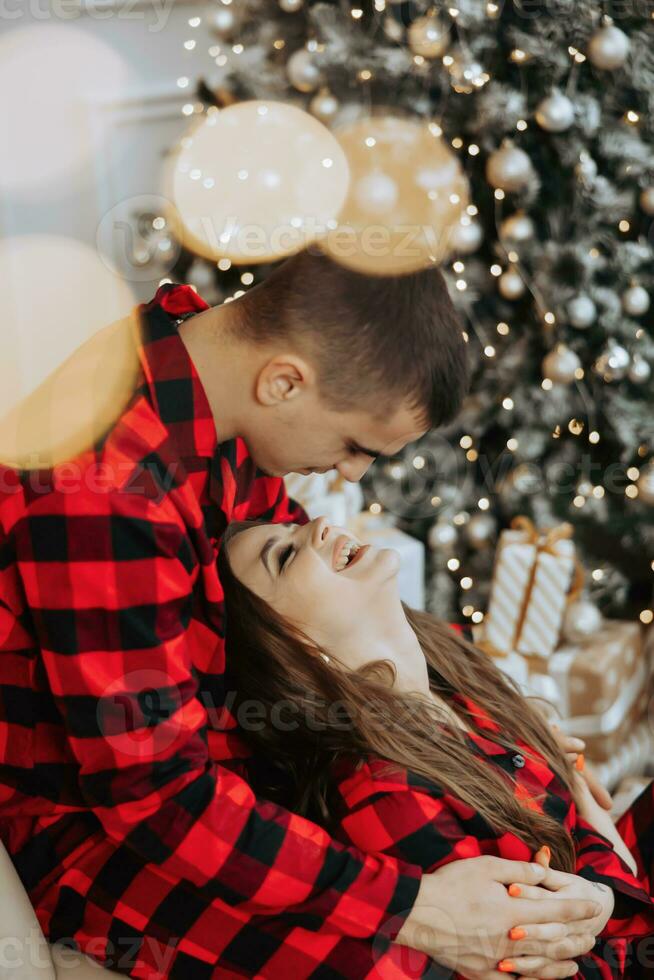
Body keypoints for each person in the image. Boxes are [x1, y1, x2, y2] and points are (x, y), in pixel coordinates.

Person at [0, 248, 606, 978]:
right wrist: (417, 911)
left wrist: (526, 752)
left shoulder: (209, 382)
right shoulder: (105, 492)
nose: (353, 477)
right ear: (283, 381)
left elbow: (316, 621)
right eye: (354, 446)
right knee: (400, 964)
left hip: (235, 766)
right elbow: (156, 798)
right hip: (97, 827)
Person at [217, 513, 654, 978]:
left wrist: (599, 869)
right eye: (284, 556)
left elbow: (573, 836)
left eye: (293, 527)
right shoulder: (388, 796)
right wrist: (603, 858)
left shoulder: (454, 682)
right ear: (290, 650)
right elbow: (563, 958)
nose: (317, 524)